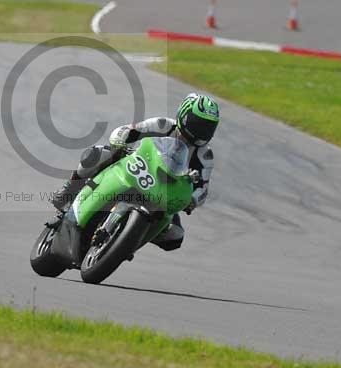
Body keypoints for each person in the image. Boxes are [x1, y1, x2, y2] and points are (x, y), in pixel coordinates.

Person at [49, 92, 219, 252]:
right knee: (97, 155)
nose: (202, 131)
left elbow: (203, 188)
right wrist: (119, 142)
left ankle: (127, 240)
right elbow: (127, 130)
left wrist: (193, 200)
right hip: (137, 166)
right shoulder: (163, 125)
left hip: (164, 193)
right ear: (185, 115)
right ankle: (69, 190)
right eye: (199, 124)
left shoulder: (205, 155)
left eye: (208, 127)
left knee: (175, 235)